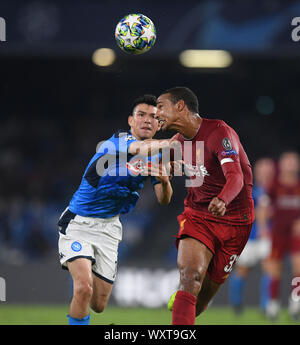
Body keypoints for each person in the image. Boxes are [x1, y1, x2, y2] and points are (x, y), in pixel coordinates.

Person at [57, 94, 173, 325]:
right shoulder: (117, 142)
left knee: (98, 305)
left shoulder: (159, 156)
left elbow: (164, 200)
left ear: (159, 124)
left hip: (109, 228)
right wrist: (175, 142)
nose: (147, 120)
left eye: (153, 117)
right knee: (83, 288)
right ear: (131, 121)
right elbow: (139, 148)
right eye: (141, 115)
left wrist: (166, 180)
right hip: (79, 222)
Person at [156, 86, 255, 325]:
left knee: (199, 302)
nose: (155, 113)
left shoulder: (219, 132)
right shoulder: (175, 145)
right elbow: (163, 199)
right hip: (198, 216)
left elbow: (236, 177)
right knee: (190, 278)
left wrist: (223, 199)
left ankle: (187, 299)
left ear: (180, 106)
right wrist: (162, 180)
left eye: (160, 107)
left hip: (236, 221)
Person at [228, 157, 275, 314]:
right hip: (250, 237)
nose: (266, 173)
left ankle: (265, 305)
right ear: (257, 171)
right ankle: (236, 304)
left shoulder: (276, 191)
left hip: (269, 237)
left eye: (268, 170)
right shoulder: (249, 188)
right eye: (263, 170)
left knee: (269, 268)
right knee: (242, 270)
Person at [265, 151, 300, 320]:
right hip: (277, 234)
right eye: (288, 162)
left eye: (294, 162)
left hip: (296, 234)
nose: (291, 165)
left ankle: (295, 303)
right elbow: (264, 208)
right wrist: (264, 227)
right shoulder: (274, 186)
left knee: (298, 267)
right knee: (274, 270)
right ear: (282, 165)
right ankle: (273, 305)